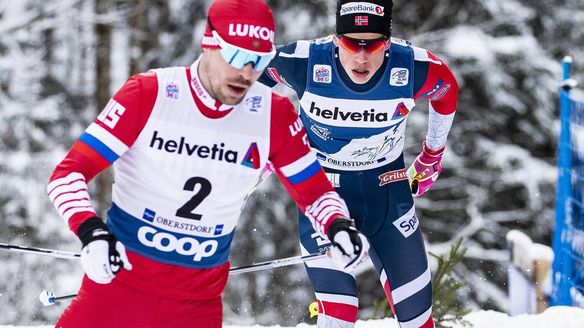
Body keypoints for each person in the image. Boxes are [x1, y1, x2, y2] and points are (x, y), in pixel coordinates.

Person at [46, 0, 370, 327]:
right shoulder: (149, 93)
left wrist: (338, 227)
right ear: (209, 44)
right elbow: (67, 175)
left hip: (195, 307)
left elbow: (314, 193)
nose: (246, 73)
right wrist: (91, 232)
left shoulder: (272, 114)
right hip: (117, 293)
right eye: (237, 56)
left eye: (258, 61)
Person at [258, 0, 459, 327]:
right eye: (352, 43)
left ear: (388, 42)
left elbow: (446, 92)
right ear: (337, 39)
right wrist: (261, 143)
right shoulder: (305, 61)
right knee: (339, 316)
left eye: (373, 44)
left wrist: (432, 155)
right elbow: (249, 73)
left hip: (387, 193)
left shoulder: (414, 68)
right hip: (323, 196)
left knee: (418, 318)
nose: (362, 56)